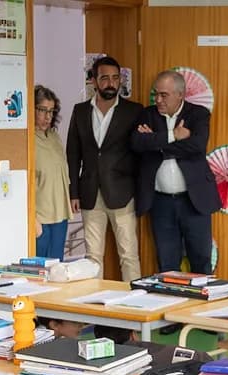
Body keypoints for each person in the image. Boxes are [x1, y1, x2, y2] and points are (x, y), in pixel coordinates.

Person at [133, 70, 222, 274]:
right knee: (166, 263)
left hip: (193, 201)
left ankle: (202, 305)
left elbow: (197, 146)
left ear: (180, 94)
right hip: (160, 202)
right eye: (156, 94)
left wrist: (157, 143)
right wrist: (174, 136)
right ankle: (170, 304)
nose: (158, 99)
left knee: (201, 261)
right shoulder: (147, 114)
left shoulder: (198, 114)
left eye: (164, 95)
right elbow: (137, 144)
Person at [67, 55, 145, 281]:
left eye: (115, 78)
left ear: (120, 80)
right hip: (89, 192)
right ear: (94, 81)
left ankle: (132, 308)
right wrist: (74, 191)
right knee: (92, 257)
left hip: (123, 193)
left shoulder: (134, 111)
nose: (111, 83)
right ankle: (95, 312)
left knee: (129, 255)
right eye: (105, 78)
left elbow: (140, 154)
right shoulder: (80, 111)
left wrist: (140, 192)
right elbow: (73, 153)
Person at [33, 85, 73, 260]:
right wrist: (32, 219)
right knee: (40, 270)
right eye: (42, 110)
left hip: (60, 214)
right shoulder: (26, 138)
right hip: (40, 217)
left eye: (51, 111)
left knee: (57, 268)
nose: (48, 116)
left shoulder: (54, 136)